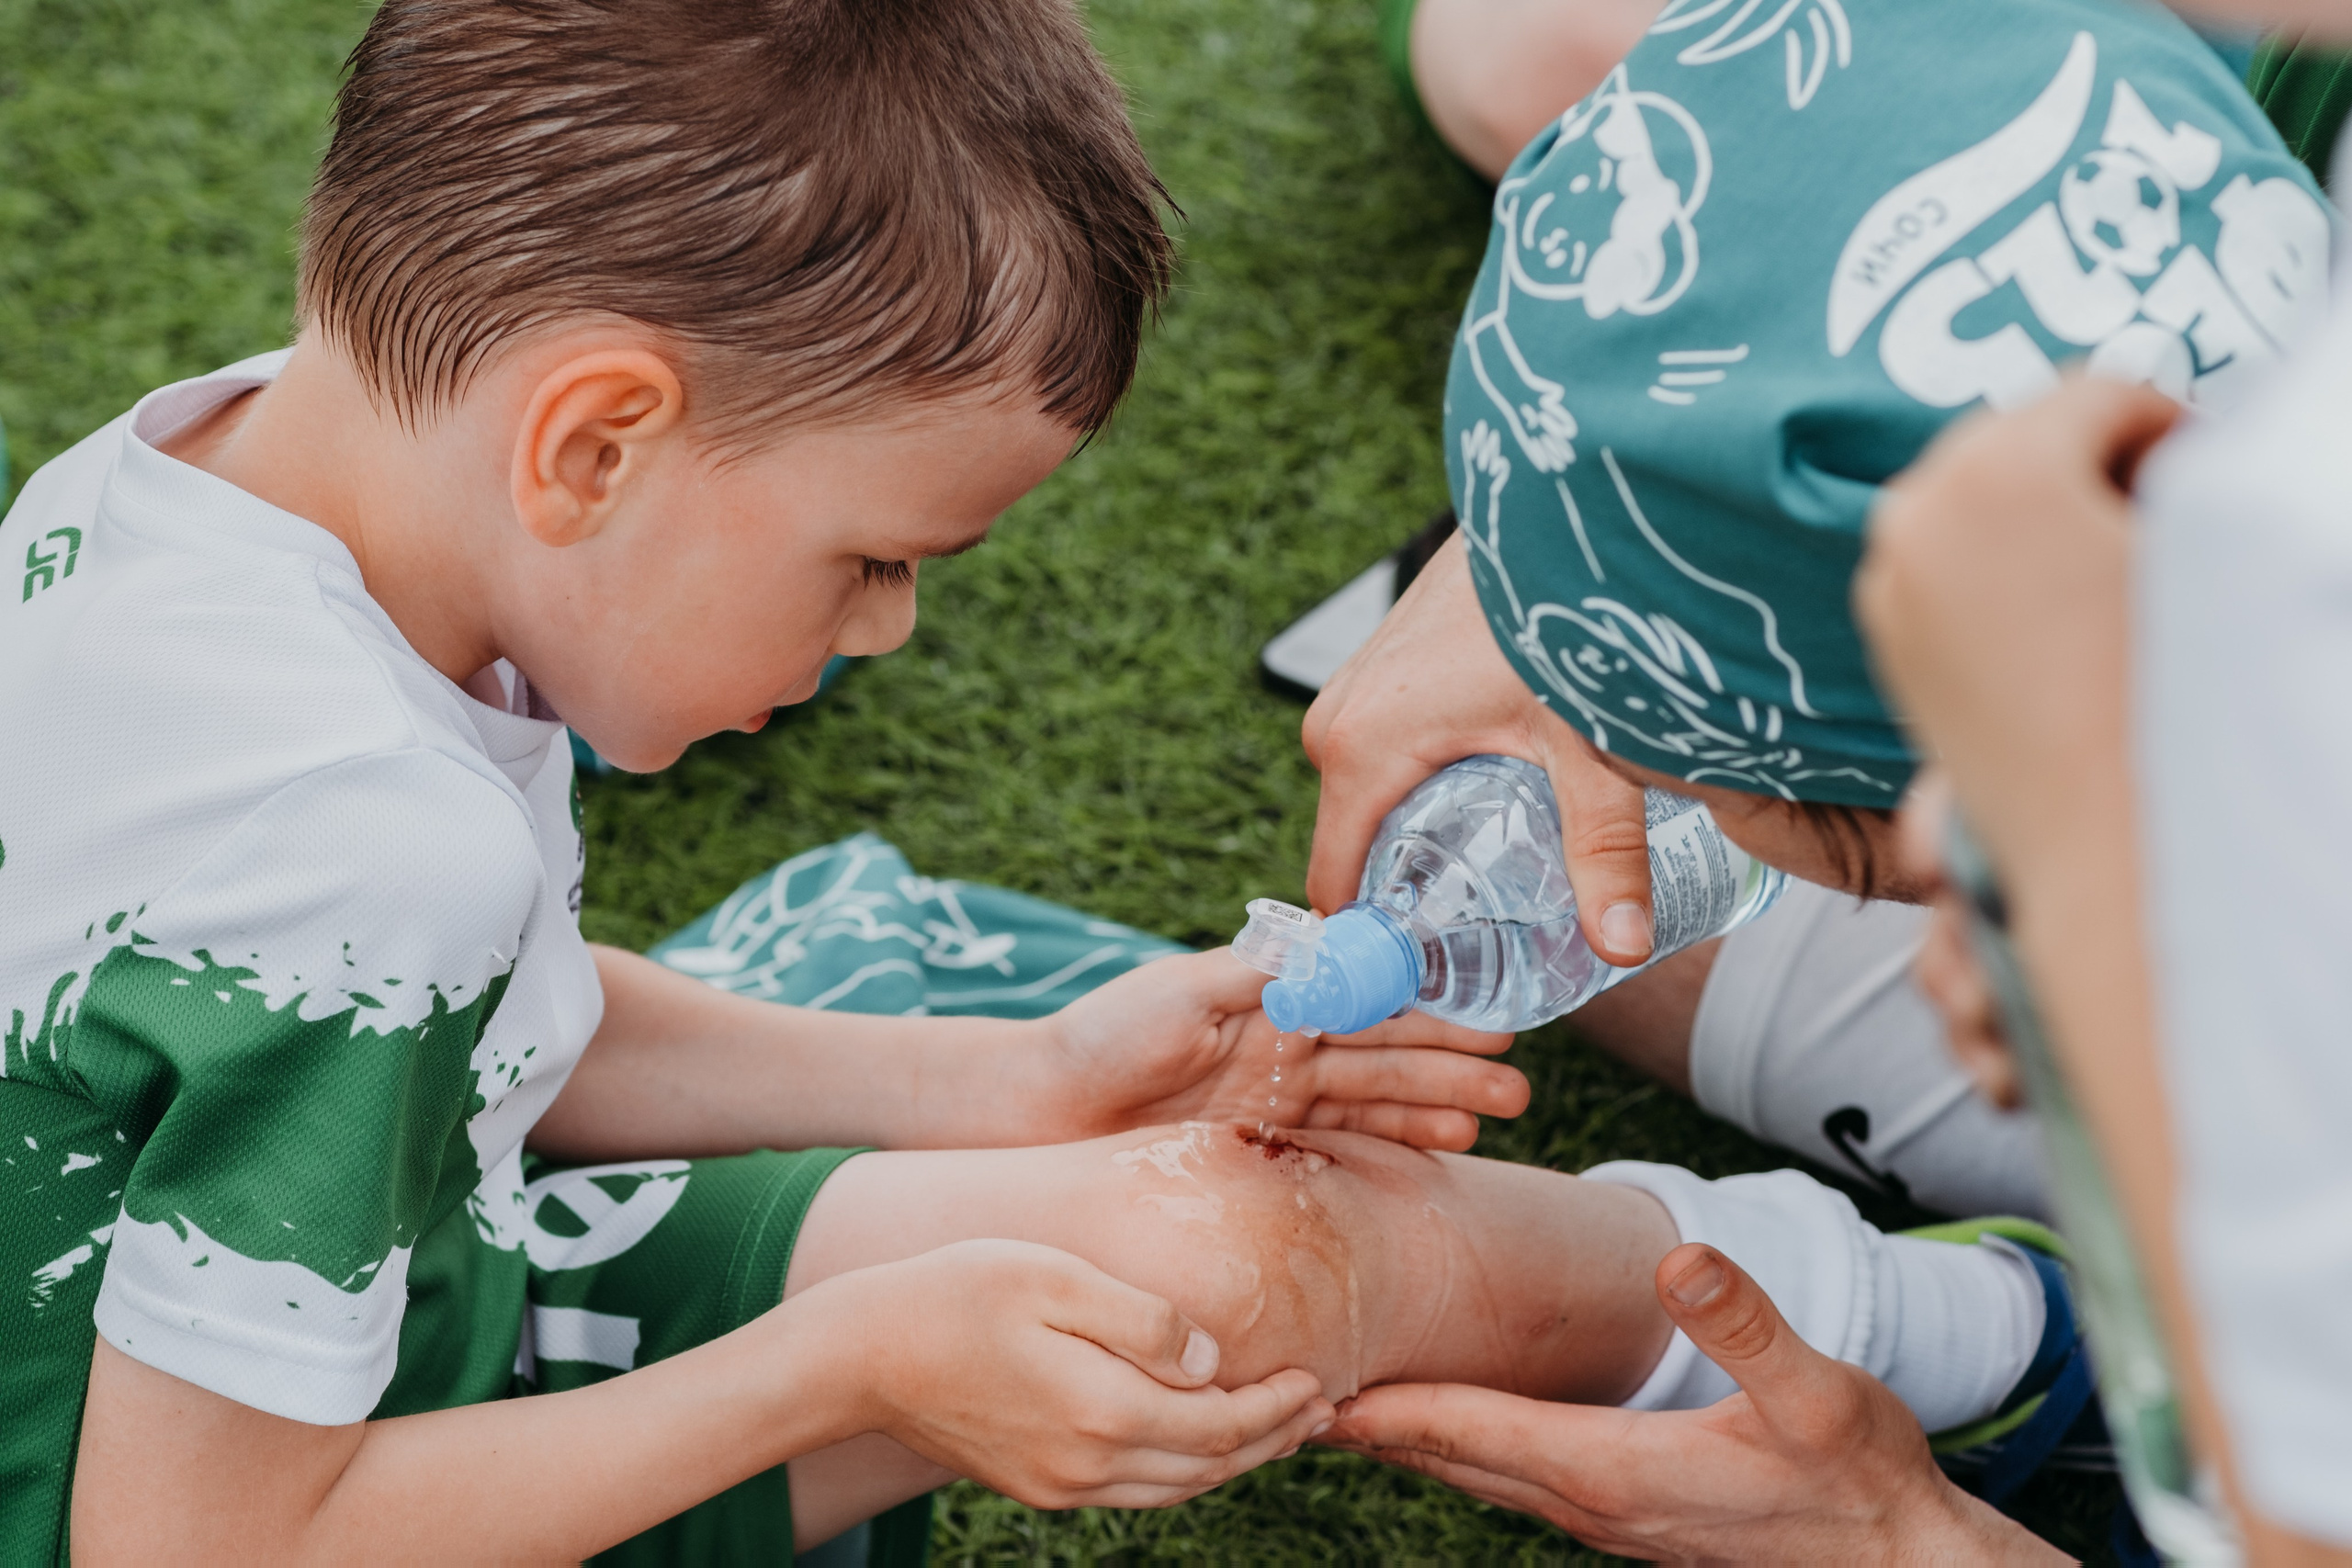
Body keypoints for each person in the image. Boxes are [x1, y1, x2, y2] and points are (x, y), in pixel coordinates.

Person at [0, 2, 2083, 1561]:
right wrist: (842, 1368)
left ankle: (1934, 1331)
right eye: (873, 559)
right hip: (299, 1487)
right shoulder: (361, 854)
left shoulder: (190, 486)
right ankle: (1975, 1343)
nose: (894, 627)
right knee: (1217, 1265)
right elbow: (199, 1548)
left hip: (346, 1326)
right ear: (593, 443)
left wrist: (1009, 1080)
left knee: (1177, 1226)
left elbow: (477, 1018)